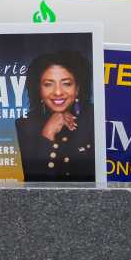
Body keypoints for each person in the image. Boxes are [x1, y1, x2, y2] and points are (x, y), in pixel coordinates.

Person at [15, 51, 96, 182]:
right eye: (48, 84)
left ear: (77, 89)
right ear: (39, 90)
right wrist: (47, 133)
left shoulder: (94, 117)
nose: (58, 92)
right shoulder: (25, 124)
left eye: (67, 83)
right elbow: (33, 184)